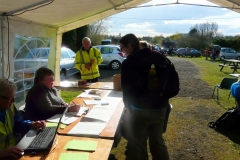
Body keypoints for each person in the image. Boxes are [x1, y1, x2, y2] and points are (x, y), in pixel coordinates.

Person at [120, 33, 169, 160]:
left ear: (129, 46)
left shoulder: (128, 63)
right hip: (160, 107)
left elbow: (126, 89)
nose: (122, 51)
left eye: (122, 47)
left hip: (139, 110)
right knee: (157, 140)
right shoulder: (158, 57)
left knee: (137, 143)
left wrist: (127, 109)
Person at [0, 79, 45, 159]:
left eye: (14, 97)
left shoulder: (9, 108)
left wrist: (31, 124)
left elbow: (19, 124)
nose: (14, 101)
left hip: (13, 153)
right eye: (10, 98)